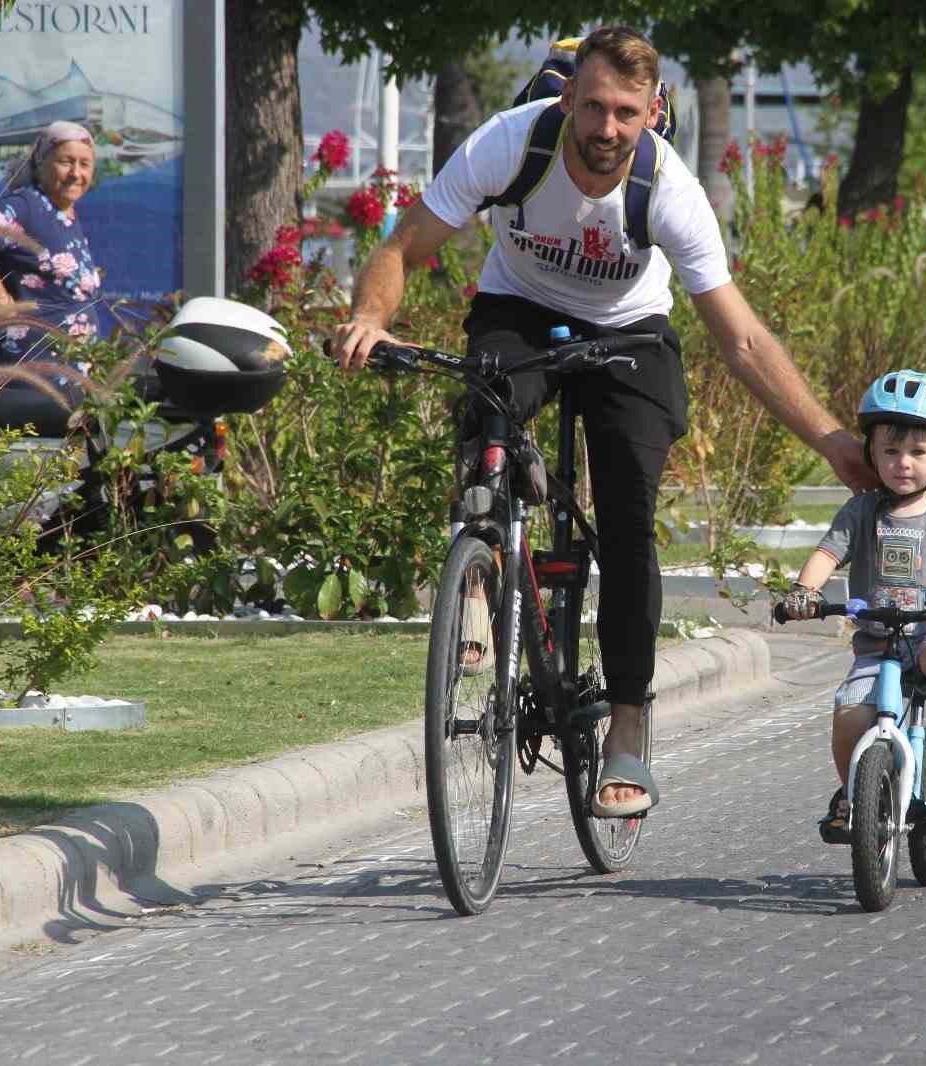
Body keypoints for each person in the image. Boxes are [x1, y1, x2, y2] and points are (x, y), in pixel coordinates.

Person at [331, 26, 877, 819]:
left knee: (627, 520)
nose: (606, 129)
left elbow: (743, 337)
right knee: (485, 410)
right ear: (568, 98)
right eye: (593, 107)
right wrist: (369, 317)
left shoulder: (669, 188)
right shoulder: (512, 143)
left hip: (629, 331)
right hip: (519, 307)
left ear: (653, 112)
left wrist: (830, 439)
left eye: (626, 112)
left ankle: (626, 729)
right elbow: (405, 246)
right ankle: (483, 564)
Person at [779, 370, 926, 843]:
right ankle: (850, 796)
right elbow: (826, 555)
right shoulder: (861, 511)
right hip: (877, 642)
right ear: (871, 454)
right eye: (890, 450)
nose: (903, 463)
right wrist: (805, 591)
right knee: (849, 714)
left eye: (918, 452)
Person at [0, 121, 104, 366]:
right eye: (66, 162)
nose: (76, 173)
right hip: (26, 376)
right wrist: (0, 301)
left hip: (68, 377)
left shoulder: (63, 214)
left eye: (84, 164)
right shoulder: (27, 205)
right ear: (41, 162)